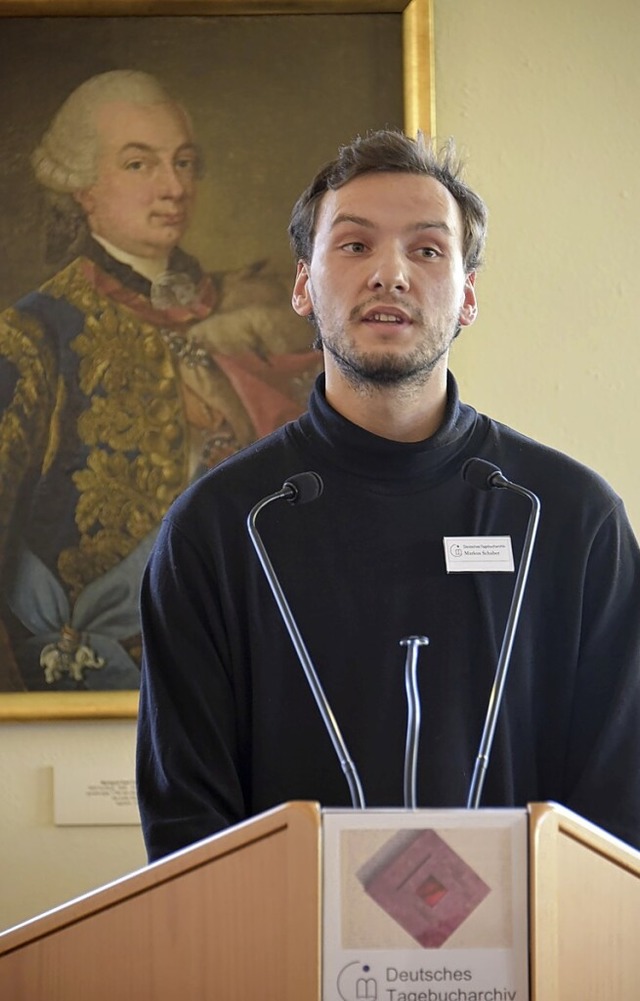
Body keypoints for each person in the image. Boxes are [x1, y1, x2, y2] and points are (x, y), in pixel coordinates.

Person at [136, 128, 640, 862]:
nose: (391, 274)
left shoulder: (574, 517)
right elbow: (187, 826)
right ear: (304, 284)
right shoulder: (213, 528)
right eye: (354, 245)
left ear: (468, 297)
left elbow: (622, 809)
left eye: (428, 250)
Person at [0, 69, 320, 692]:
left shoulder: (256, 311)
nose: (173, 186)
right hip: (92, 693)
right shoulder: (36, 333)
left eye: (183, 162)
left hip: (254, 664)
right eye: (139, 165)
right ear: (82, 184)